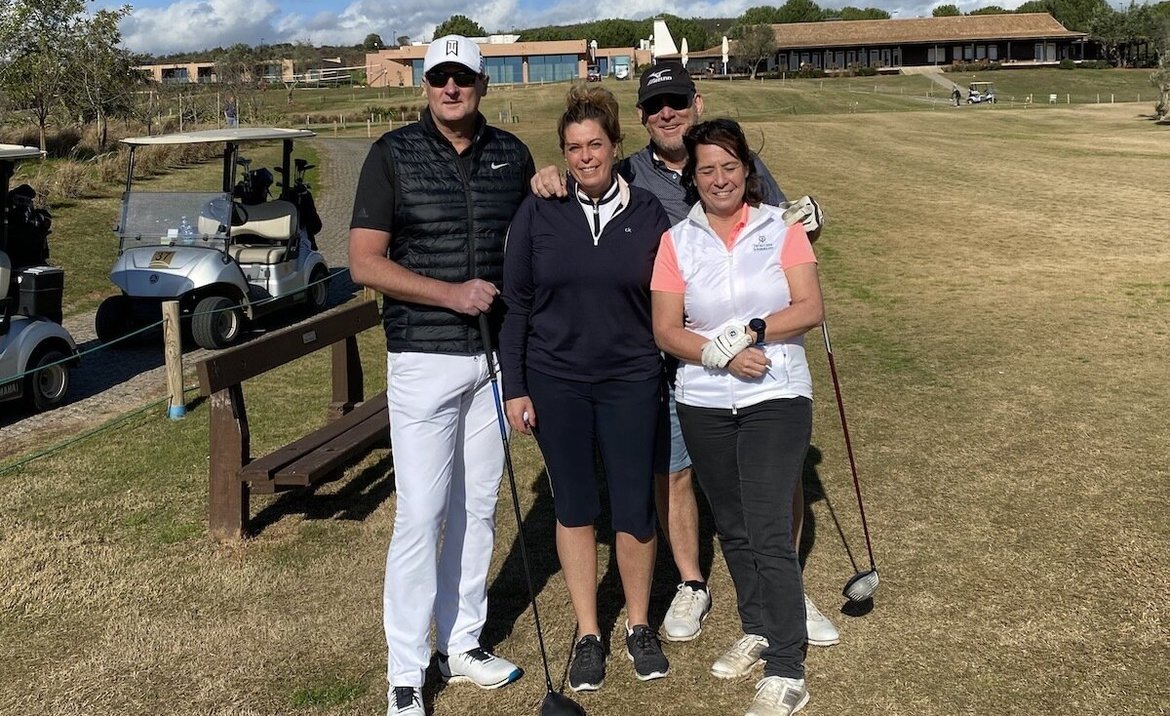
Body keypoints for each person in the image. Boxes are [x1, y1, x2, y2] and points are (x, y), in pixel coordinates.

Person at [530, 60, 838, 655]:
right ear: (641, 118)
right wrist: (547, 177)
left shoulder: (732, 156)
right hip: (670, 357)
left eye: (675, 101)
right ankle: (692, 581)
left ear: (697, 102)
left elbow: (777, 234)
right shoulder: (626, 171)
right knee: (673, 472)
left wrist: (810, 223)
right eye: (654, 106)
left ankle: (786, 588)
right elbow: (583, 180)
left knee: (775, 481)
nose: (666, 113)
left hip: (757, 358)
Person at [347, 34, 535, 716]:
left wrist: (550, 184)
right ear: (424, 85)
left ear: (482, 84)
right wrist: (451, 294)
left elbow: (533, 239)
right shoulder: (391, 154)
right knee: (422, 516)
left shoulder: (512, 154)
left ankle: (462, 643)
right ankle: (406, 669)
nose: (450, 88)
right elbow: (365, 262)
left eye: (462, 77)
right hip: (423, 358)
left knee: (477, 507)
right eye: (439, 78)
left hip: (492, 359)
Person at [499, 85, 671, 693]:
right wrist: (516, 387)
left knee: (634, 505)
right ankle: (590, 632)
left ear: (615, 145)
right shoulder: (539, 209)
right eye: (573, 148)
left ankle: (639, 625)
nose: (585, 157)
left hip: (631, 379)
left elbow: (670, 296)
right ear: (563, 153)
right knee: (573, 506)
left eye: (595, 144)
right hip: (557, 381)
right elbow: (517, 307)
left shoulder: (649, 212)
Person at [651, 118, 824, 716]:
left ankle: (787, 667)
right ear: (693, 177)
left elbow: (810, 307)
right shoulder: (677, 242)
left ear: (747, 170)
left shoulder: (781, 227)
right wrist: (715, 353)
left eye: (729, 166)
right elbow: (666, 328)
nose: (719, 178)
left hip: (776, 393)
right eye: (707, 169)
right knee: (732, 523)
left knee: (768, 524)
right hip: (702, 399)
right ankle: (757, 627)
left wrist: (750, 331)